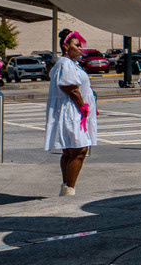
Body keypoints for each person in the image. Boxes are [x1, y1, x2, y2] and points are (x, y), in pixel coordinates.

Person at [45, 28, 98, 196]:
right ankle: (69, 190)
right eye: (77, 45)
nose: (81, 48)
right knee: (80, 150)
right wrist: (83, 106)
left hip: (73, 110)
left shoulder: (70, 63)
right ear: (66, 46)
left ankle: (66, 187)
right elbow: (71, 88)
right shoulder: (66, 63)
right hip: (72, 110)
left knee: (69, 151)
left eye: (81, 45)